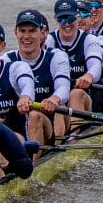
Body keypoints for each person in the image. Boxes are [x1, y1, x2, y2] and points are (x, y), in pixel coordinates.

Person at [12, 8, 72, 147]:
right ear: (15, 33)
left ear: (42, 33)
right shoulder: (7, 60)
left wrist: (54, 99)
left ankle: (44, 154)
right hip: (18, 125)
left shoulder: (56, 57)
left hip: (49, 122)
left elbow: (63, 88)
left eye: (32, 31)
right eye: (22, 31)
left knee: (35, 115)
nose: (26, 36)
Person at [46, 0, 103, 122]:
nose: (67, 23)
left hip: (87, 96)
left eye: (70, 18)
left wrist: (89, 76)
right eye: (62, 19)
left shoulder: (89, 40)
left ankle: (75, 132)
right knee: (58, 102)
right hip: (59, 100)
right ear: (56, 19)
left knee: (75, 93)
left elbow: (95, 66)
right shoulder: (49, 40)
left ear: (76, 17)